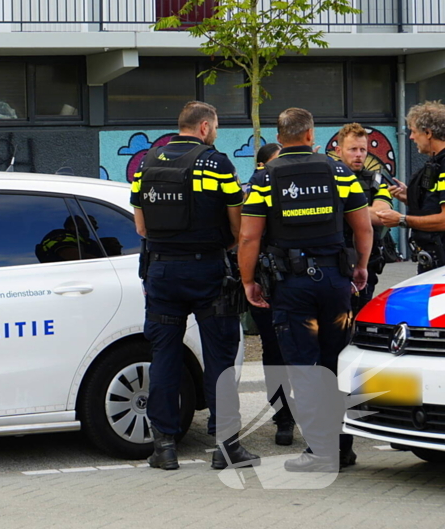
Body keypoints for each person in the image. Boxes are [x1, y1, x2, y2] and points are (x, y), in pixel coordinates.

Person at [239, 107, 372, 473]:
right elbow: (363, 228)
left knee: (304, 368)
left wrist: (248, 281)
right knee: (336, 363)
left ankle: (320, 453)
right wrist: (360, 267)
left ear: (278, 138)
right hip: (334, 283)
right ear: (311, 135)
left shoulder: (265, 178)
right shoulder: (339, 172)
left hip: (291, 286)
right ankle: (342, 448)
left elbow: (248, 237)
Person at [132, 100, 258, 472]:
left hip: (161, 273)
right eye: (215, 127)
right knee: (219, 358)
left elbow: (141, 227)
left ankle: (164, 447)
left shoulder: (146, 163)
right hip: (207, 273)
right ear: (204, 127)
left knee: (164, 358)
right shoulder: (217, 164)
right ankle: (226, 447)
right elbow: (238, 226)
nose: (215, 133)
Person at [243, 143, 297, 446]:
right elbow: (247, 237)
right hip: (268, 283)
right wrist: (250, 280)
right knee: (274, 353)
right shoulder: (255, 190)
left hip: (298, 281)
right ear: (263, 166)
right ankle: (283, 416)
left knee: (302, 352)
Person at [333, 123, 394, 313]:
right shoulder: (328, 178)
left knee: (360, 318)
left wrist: (342, 209)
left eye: (363, 150)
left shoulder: (375, 180)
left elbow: (382, 215)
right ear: (339, 151)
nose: (359, 155)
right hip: (333, 263)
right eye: (352, 149)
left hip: (366, 264)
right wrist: (364, 212)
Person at [380, 102, 445, 273]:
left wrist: (402, 220)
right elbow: (434, 205)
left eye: (414, 131)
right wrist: (409, 197)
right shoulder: (436, 163)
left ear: (428, 133)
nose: (410, 137)